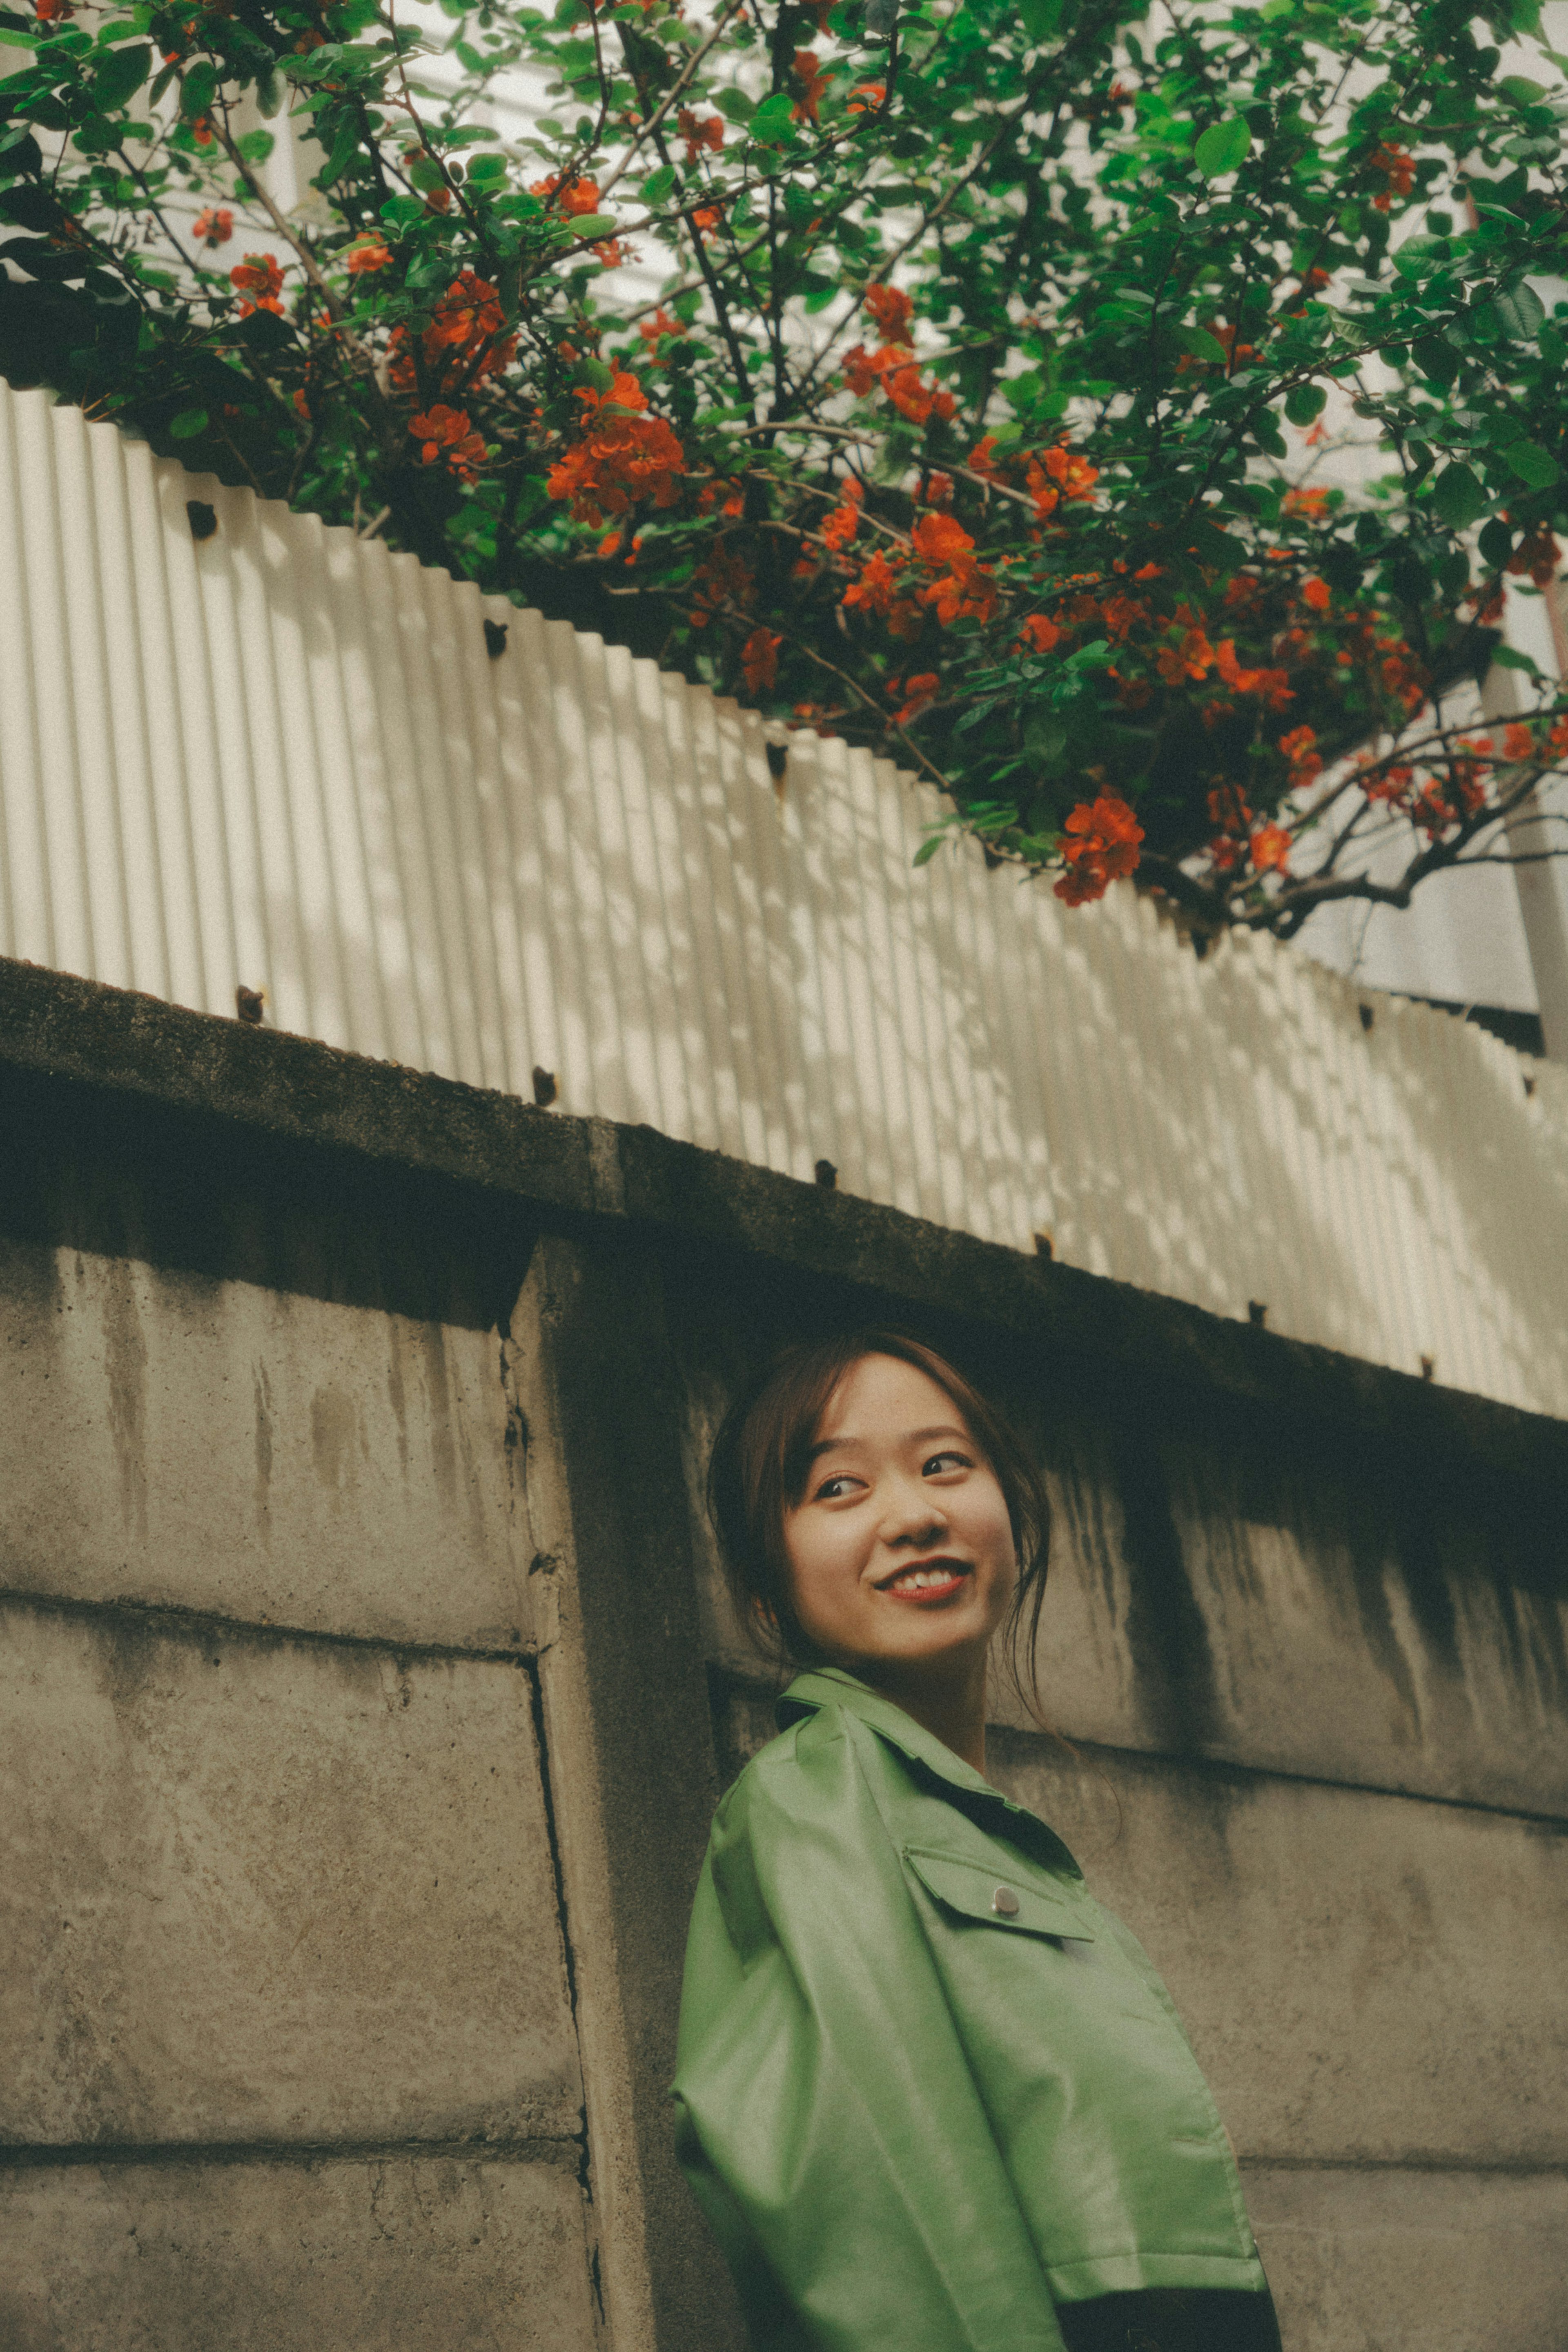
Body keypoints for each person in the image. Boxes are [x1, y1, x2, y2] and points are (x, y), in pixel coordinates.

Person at [672, 1327, 1283, 2352]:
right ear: (764, 1585)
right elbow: (885, 2194)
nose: (914, 1515)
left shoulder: (970, 1826)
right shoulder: (820, 1793)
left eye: (944, 1464)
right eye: (837, 1488)